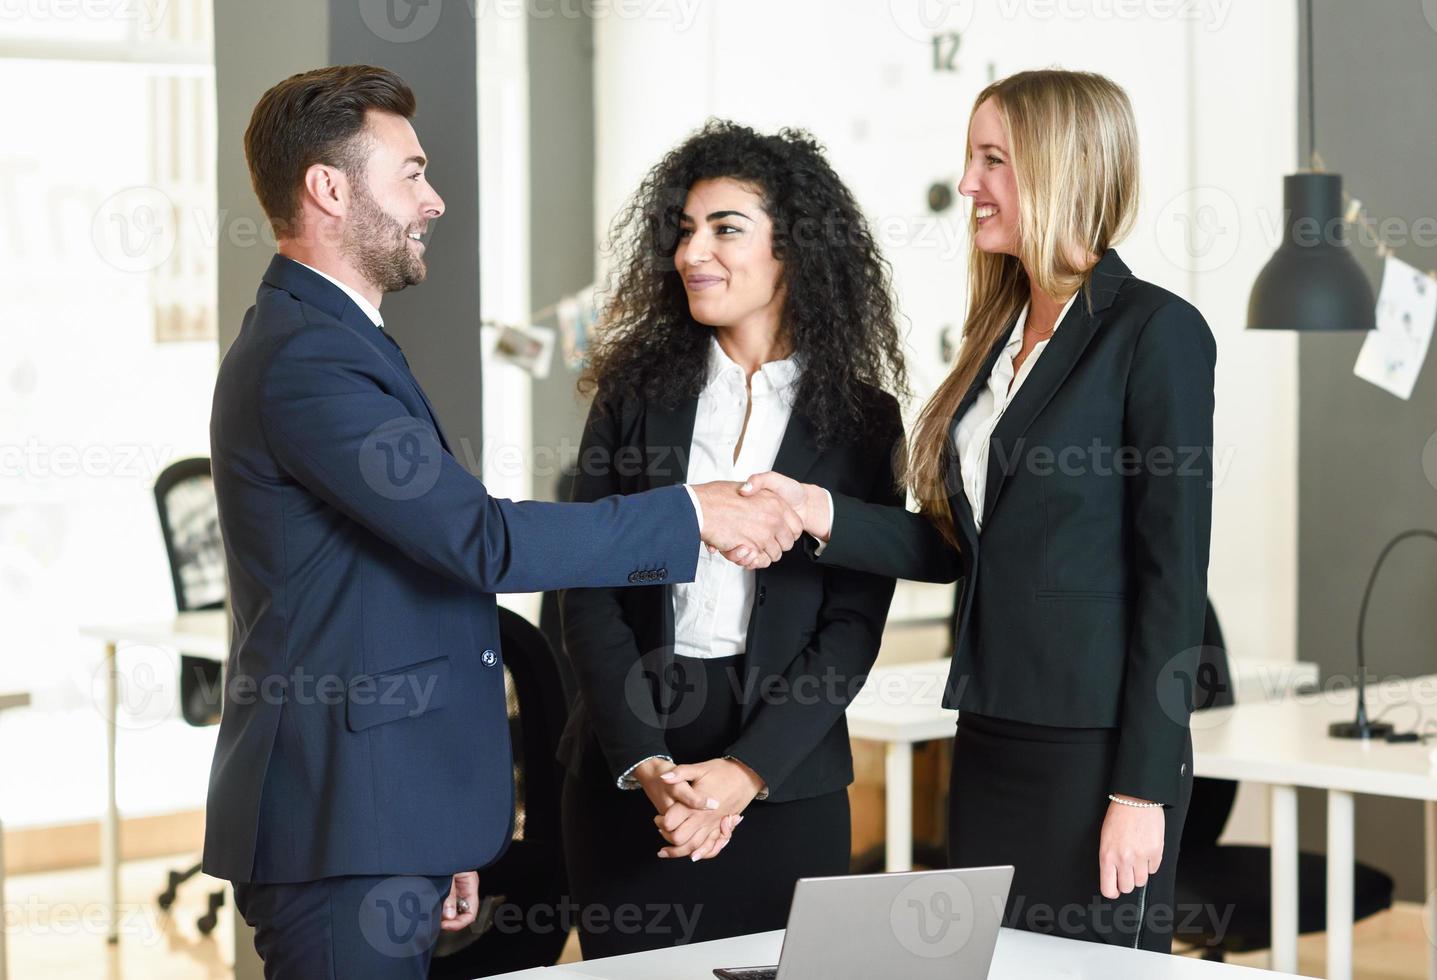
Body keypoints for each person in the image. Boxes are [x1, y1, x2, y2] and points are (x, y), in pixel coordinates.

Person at [204, 65, 802, 980]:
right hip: (339, 832)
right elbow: (480, 541)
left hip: (379, 820)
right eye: (410, 173)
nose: (433, 199)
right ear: (328, 188)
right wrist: (692, 514)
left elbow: (399, 587)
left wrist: (438, 830)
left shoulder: (337, 339)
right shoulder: (309, 360)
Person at [745, 69, 1216, 952]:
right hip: (990, 728)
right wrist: (818, 509)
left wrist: (1142, 790)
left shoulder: (1155, 333)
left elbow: (1173, 575)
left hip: (1097, 749)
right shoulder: (999, 339)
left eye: (992, 160)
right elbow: (959, 546)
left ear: (1061, 165)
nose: (968, 185)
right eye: (971, 160)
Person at [556, 120, 909, 958]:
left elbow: (852, 627)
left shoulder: (864, 421)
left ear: (795, 251)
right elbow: (586, 585)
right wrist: (647, 764)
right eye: (683, 230)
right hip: (632, 756)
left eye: (725, 229)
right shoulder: (631, 394)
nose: (692, 253)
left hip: (784, 773)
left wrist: (744, 774)